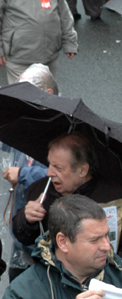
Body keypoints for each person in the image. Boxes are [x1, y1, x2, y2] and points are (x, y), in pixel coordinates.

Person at [12, 133, 122, 273]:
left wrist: (107, 271)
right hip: (49, 281)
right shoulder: (41, 190)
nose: (49, 172)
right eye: (49, 164)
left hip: (99, 288)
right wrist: (26, 220)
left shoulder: (117, 199)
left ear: (82, 170)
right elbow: (23, 238)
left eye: (58, 168)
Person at [2, 64, 57, 280]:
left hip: (44, 231)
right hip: (21, 222)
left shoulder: (61, 128)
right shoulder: (27, 119)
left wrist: (23, 174)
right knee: (16, 278)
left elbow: (58, 175)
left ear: (48, 94)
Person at [0, 0, 77, 85]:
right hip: (19, 57)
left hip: (50, 55)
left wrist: (70, 41)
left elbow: (64, 13)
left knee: (48, 94)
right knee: (21, 95)